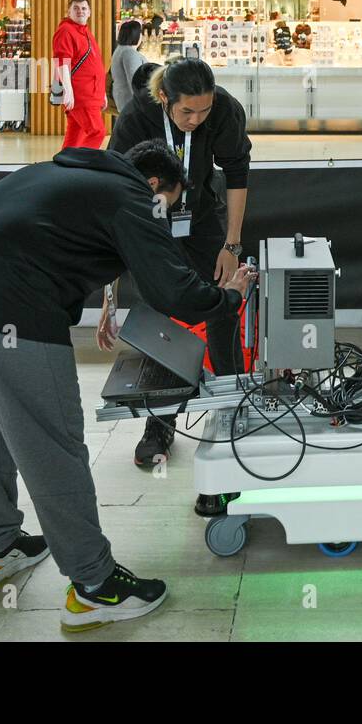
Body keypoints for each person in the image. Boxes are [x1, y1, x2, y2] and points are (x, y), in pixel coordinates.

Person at [0, 140, 255, 632]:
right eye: (168, 204)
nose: (164, 217)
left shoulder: (73, 173)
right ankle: (95, 587)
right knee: (50, 441)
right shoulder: (131, 196)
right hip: (9, 300)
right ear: (153, 185)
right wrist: (227, 298)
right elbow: (171, 290)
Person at [106, 58, 252, 515]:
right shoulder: (136, 117)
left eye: (204, 112)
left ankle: (231, 402)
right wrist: (109, 295)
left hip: (202, 217)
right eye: (188, 113)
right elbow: (110, 194)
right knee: (161, 313)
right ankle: (160, 422)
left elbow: (239, 174)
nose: (197, 121)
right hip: (150, 218)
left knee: (223, 302)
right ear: (165, 99)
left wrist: (231, 243)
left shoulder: (223, 110)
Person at [53, 0, 106, 149]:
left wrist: (102, 93)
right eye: (75, 8)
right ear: (68, 12)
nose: (80, 11)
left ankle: (64, 167)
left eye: (84, 8)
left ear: (89, 12)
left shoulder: (85, 32)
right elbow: (62, 61)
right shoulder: (66, 31)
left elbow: (94, 64)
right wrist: (68, 91)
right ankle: (83, 166)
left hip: (91, 93)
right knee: (97, 132)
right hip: (82, 95)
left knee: (75, 137)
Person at [110, 19, 147, 113]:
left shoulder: (120, 49)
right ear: (136, 35)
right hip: (130, 103)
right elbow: (134, 81)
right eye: (141, 33)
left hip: (123, 100)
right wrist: (144, 104)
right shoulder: (129, 53)